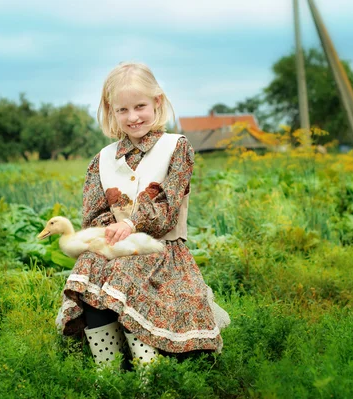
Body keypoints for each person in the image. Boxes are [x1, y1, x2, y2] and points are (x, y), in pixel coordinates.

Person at [55, 61, 229, 367]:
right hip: (116, 246)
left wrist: (132, 223)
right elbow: (93, 215)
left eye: (140, 106)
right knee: (91, 264)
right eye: (123, 110)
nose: (133, 117)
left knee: (126, 273)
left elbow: (168, 207)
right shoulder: (102, 160)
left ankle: (147, 369)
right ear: (111, 111)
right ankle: (108, 367)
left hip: (161, 249)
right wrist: (108, 233)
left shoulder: (176, 147)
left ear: (157, 102)